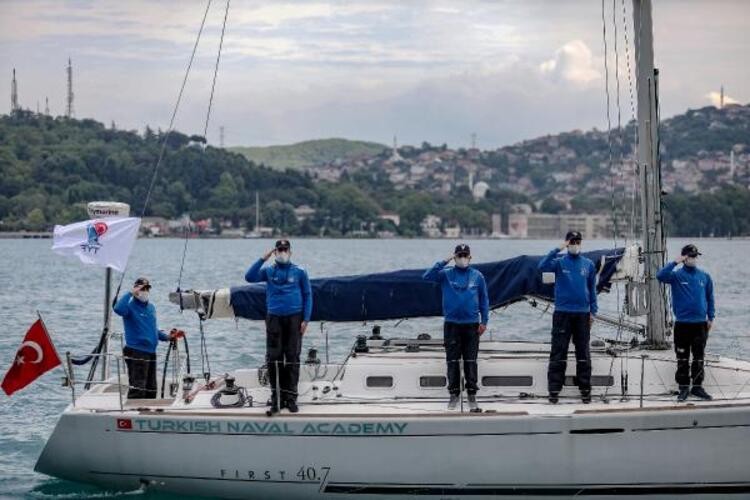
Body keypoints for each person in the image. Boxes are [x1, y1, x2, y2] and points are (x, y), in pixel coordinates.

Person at [245, 239, 312, 413]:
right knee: (274, 358)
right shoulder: (268, 271)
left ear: (290, 252)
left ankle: (290, 398)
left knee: (292, 358)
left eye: (285, 249)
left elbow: (308, 295)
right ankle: (277, 398)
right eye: (279, 249)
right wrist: (263, 258)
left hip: (294, 318)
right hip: (274, 318)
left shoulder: (300, 271)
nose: (282, 252)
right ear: (275, 252)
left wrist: (306, 319)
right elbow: (249, 277)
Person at [423, 243, 489, 411]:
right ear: (454, 257)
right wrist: (445, 261)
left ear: (470, 257)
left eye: (465, 255)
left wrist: (484, 322)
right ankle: (454, 394)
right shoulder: (445, 274)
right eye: (459, 255)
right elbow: (427, 276)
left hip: (472, 325)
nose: (462, 258)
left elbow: (484, 300)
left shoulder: (478, 276)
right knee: (452, 361)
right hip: (452, 325)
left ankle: (472, 394)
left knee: (470, 361)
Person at [538, 231, 598, 404]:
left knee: (583, 353)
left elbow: (592, 289)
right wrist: (558, 248)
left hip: (582, 314)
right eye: (572, 241)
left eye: (578, 241)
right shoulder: (558, 262)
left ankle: (585, 389)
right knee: (558, 351)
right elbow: (542, 266)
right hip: (562, 313)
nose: (575, 244)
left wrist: (593, 312)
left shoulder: (588, 264)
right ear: (567, 243)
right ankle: (554, 390)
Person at [657, 244, 715, 402]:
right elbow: (660, 276)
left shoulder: (704, 276)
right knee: (682, 357)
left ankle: (697, 387)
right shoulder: (675, 276)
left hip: (700, 325)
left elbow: (710, 298)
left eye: (695, 256)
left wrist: (711, 317)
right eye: (690, 256)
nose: (693, 259)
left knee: (699, 357)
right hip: (682, 324)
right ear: (684, 257)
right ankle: (683, 388)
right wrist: (675, 262)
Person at [113, 278, 178, 399]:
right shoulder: (129, 307)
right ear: (136, 290)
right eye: (142, 288)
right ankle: (133, 412)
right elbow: (118, 309)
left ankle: (148, 412)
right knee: (138, 387)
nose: (145, 291)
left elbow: (153, 329)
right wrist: (130, 293)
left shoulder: (151, 307)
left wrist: (168, 337)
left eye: (147, 288)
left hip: (151, 352)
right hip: (136, 351)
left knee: (151, 388)